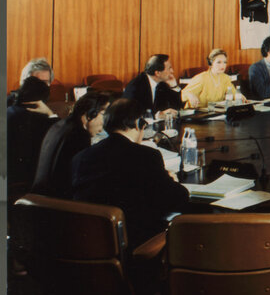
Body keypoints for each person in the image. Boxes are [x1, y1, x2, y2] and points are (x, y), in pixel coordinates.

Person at [71, 99, 190, 249]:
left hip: (90, 243)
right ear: (138, 123)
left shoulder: (80, 157)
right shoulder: (147, 156)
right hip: (134, 244)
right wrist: (171, 181)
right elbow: (178, 199)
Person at [32, 91, 111, 198]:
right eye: (104, 115)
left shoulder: (60, 124)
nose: (102, 128)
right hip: (58, 202)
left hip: (41, 196)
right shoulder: (79, 135)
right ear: (91, 113)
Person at [7, 76, 58, 190]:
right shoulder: (36, 119)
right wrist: (50, 113)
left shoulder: (9, 110)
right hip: (22, 179)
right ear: (40, 102)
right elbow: (60, 134)